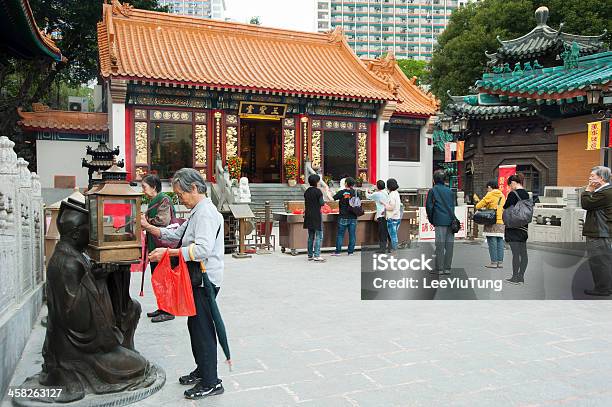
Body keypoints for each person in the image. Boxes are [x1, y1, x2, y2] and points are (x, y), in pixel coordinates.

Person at [141, 168, 226, 400]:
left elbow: (202, 250)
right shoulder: (197, 211)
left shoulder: (206, 213)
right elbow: (176, 233)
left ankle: (211, 381)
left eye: (181, 194)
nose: (180, 199)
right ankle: (203, 370)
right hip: (196, 278)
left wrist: (169, 255)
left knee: (203, 329)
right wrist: (150, 228)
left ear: (196, 188)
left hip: (205, 280)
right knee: (195, 326)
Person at [142, 174, 176, 323]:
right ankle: (162, 307)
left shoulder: (164, 199)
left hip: (163, 245)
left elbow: (163, 221)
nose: (143, 190)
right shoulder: (153, 201)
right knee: (157, 278)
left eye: (145, 186)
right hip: (155, 245)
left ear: (154, 187)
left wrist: (146, 221)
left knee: (164, 278)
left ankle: (168, 310)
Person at [581, 166, 612, 296]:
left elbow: (586, 203)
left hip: (599, 232)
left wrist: (588, 190)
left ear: (601, 178)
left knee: (599, 261)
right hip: (603, 232)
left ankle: (602, 289)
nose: (589, 178)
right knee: (604, 260)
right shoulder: (606, 191)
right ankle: (606, 287)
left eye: (593, 176)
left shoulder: (604, 193)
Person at [425, 170, 455, 275]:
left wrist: (431, 219)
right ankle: (447, 268)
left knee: (440, 245)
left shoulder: (433, 191)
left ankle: (439, 269)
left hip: (439, 220)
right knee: (449, 245)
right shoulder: (450, 191)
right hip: (451, 221)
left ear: (434, 180)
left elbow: (429, 206)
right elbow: (452, 206)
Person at [503, 173, 530, 285]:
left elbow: (506, 206)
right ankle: (521, 277)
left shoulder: (513, 194)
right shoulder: (527, 194)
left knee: (515, 253)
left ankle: (514, 277)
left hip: (514, 227)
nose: (510, 187)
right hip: (523, 227)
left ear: (513, 183)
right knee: (523, 253)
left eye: (510, 185)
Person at [475, 180, 506, 268]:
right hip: (501, 221)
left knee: (492, 241)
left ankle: (493, 262)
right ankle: (500, 262)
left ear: (489, 187)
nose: (487, 190)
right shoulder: (502, 195)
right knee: (500, 241)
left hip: (492, 221)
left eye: (487, 188)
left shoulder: (490, 194)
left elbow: (478, 206)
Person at [304, 174, 327, 262]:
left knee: (311, 236)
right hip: (316, 215)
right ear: (317, 182)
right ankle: (317, 255)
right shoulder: (318, 191)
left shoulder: (307, 191)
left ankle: (310, 255)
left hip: (308, 215)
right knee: (319, 236)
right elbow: (321, 203)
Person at [332, 177, 358, 256]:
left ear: (345, 183)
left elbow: (333, 198)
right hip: (353, 217)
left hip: (343, 216)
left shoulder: (342, 192)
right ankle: (350, 252)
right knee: (352, 235)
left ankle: (338, 251)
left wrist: (327, 191)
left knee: (340, 235)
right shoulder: (356, 192)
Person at [366, 180, 390, 253]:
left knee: (382, 232)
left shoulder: (378, 194)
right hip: (387, 214)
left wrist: (366, 190)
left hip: (381, 215)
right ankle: (390, 247)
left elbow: (368, 196)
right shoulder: (386, 192)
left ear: (378, 186)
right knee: (387, 231)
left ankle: (382, 249)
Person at [384, 178, 402, 252]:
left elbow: (391, 207)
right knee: (394, 235)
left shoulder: (391, 194)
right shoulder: (396, 193)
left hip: (391, 217)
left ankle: (394, 250)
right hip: (397, 217)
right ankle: (393, 249)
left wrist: (384, 205)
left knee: (393, 236)